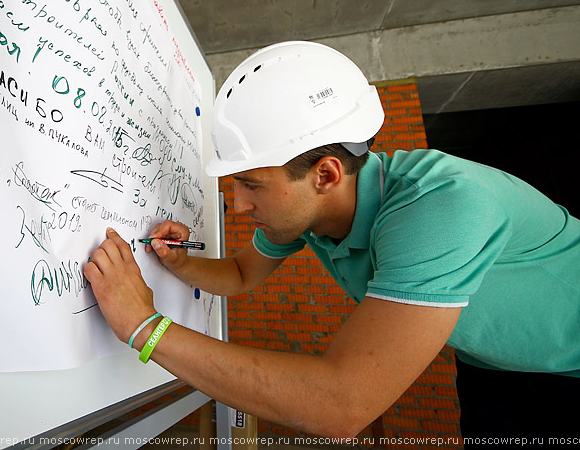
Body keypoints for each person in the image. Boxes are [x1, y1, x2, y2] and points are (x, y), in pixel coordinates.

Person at [83, 41, 580, 440]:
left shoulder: (444, 208)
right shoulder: (316, 213)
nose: (237, 205)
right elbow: (238, 274)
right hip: (493, 360)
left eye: (252, 184)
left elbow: (341, 405)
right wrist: (177, 263)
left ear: (325, 173)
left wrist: (144, 327)